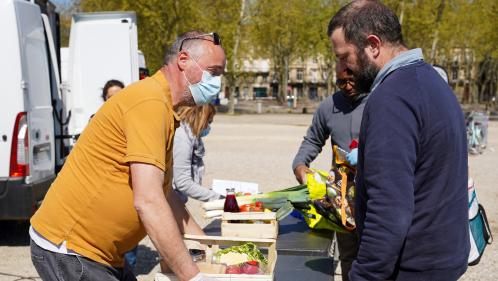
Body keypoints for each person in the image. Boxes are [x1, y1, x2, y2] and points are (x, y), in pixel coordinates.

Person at [29, 31, 226, 281]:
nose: (218, 82)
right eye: (214, 72)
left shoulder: (163, 107)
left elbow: (165, 194)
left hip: (101, 253)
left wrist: (206, 249)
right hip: (72, 248)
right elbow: (149, 201)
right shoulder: (149, 103)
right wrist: (194, 277)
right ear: (184, 60)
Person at [328, 1, 469, 280]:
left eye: (344, 56)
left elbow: (389, 208)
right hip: (442, 259)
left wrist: (365, 275)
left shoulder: (392, 98)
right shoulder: (431, 81)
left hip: (412, 267)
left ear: (373, 45)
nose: (342, 67)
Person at [292, 65, 367, 281]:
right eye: (341, 82)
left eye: (352, 80)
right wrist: (300, 164)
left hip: (374, 195)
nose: (348, 86)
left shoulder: (380, 102)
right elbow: (313, 140)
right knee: (348, 257)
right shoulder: (329, 106)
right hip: (341, 198)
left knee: (376, 257)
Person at [173, 104, 223, 203]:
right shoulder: (182, 138)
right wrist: (218, 198)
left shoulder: (186, 135)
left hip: (175, 199)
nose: (208, 127)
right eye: (208, 122)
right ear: (201, 119)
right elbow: (183, 182)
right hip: (170, 200)